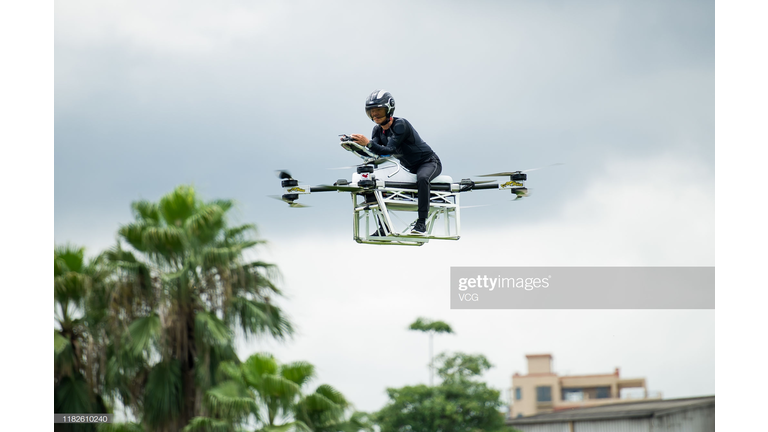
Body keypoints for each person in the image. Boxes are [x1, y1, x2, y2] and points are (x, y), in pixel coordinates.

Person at [345, 89, 442, 235]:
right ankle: (383, 227)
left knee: (422, 178)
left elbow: (388, 150)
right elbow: (374, 156)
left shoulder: (400, 125)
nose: (375, 114)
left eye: (379, 110)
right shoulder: (377, 130)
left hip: (428, 163)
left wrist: (368, 143)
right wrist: (354, 146)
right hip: (407, 168)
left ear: (389, 109)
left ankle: (421, 224)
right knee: (374, 179)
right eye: (372, 111)